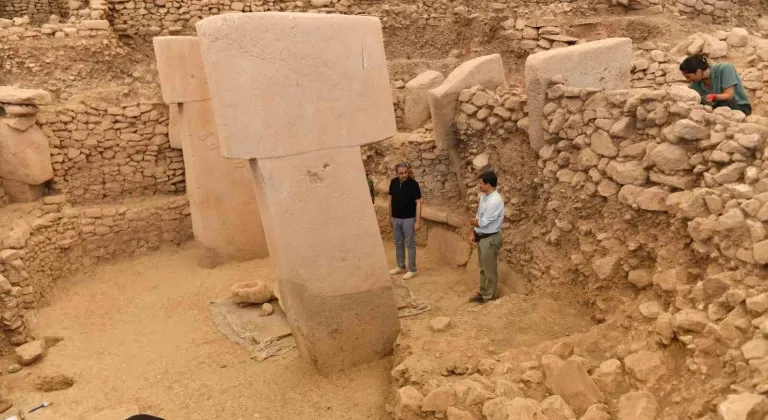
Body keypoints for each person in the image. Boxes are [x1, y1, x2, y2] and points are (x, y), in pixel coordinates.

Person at [468, 171, 505, 304]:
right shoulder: (485, 197)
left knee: (490, 270)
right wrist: (473, 232)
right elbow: (479, 217)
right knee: (483, 268)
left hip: (490, 238)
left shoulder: (495, 201)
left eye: (481, 183)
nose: (479, 186)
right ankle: (483, 293)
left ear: (488, 185)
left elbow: (482, 222)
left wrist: (470, 221)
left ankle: (489, 297)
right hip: (482, 237)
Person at [680, 53, 752, 116]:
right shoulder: (695, 83)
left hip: (738, 106)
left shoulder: (725, 69)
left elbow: (729, 95)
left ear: (698, 72)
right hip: (716, 107)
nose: (687, 80)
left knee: (726, 104)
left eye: (688, 77)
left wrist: (714, 96)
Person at [388, 162, 422, 280]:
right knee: (398, 243)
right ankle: (400, 266)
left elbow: (418, 203)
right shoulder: (393, 183)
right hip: (395, 218)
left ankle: (412, 269)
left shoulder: (413, 184)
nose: (404, 175)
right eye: (401, 173)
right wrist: (389, 217)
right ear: (396, 173)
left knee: (410, 244)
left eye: (406, 172)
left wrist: (417, 221)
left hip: (409, 219)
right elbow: (391, 200)